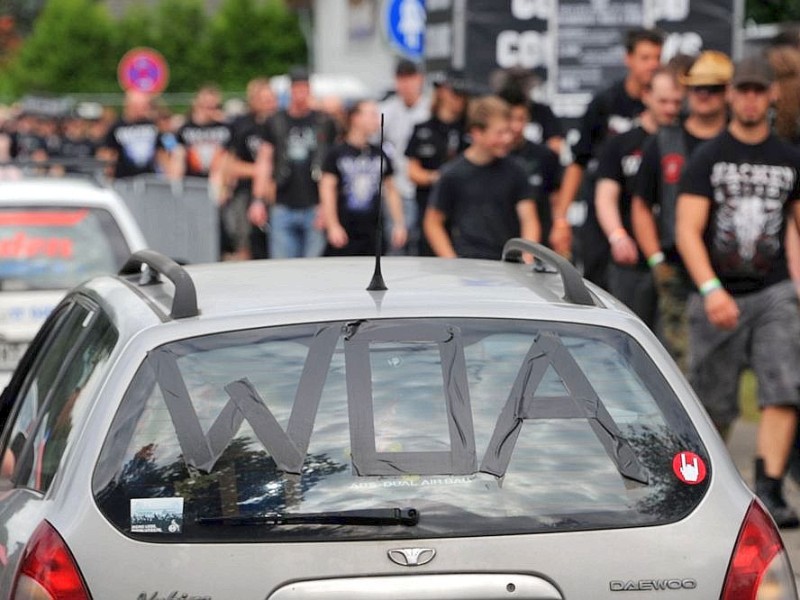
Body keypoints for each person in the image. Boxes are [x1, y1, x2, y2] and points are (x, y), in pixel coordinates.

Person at [675, 56, 800, 528]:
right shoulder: (709, 156)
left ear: (771, 96)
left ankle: (769, 489)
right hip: (717, 292)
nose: (749, 98)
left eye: (757, 90)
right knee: (712, 402)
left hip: (773, 293)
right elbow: (687, 230)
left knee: (783, 388)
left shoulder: (790, 158)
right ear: (731, 96)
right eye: (741, 90)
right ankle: (708, 494)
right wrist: (710, 290)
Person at [631, 51, 732, 372]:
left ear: (727, 92)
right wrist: (655, 259)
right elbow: (641, 205)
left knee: (723, 364)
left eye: (713, 88)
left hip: (733, 267)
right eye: (697, 88)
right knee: (678, 362)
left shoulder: (739, 139)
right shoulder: (663, 141)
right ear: (687, 90)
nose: (704, 95)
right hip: (676, 265)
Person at [554, 28, 663, 284]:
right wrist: (561, 218)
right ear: (628, 59)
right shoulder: (606, 103)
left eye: (657, 58)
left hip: (650, 210)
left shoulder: (665, 107)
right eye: (645, 58)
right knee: (598, 284)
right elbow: (578, 161)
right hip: (605, 211)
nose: (652, 65)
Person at [594, 67, 684, 328]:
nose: (670, 108)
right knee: (628, 332)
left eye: (677, 102)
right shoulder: (621, 143)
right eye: (663, 101)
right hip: (632, 259)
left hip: (676, 257)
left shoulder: (686, 142)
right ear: (646, 96)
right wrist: (617, 235)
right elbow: (605, 196)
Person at [423, 95, 540, 259]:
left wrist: (527, 258)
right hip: (468, 264)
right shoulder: (452, 174)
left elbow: (529, 219)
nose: (507, 138)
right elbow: (433, 222)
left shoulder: (516, 170)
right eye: (500, 133)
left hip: (508, 263)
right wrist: (451, 260)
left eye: (508, 131)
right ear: (477, 133)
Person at [253, 67, 338, 259]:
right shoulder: (275, 121)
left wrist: (328, 208)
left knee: (312, 268)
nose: (301, 94)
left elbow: (331, 167)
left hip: (315, 203)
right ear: (290, 91)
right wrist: (258, 199)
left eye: (304, 88)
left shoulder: (323, 121)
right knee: (283, 267)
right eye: (297, 88)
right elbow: (264, 161)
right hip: (283, 202)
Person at [319, 100, 407, 256]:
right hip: (345, 228)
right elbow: (327, 188)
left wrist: (398, 223)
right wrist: (332, 225)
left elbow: (391, 189)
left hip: (372, 231)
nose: (376, 120)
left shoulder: (379, 153)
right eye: (372, 115)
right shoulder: (337, 153)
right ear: (355, 118)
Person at [405, 71, 470, 255]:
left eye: (462, 95)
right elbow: (412, 172)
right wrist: (439, 178)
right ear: (442, 93)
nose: (458, 100)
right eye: (454, 93)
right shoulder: (423, 129)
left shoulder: (471, 128)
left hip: (463, 209)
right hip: (430, 203)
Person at [499, 83, 562, 252]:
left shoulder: (544, 156)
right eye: (511, 119)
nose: (516, 127)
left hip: (538, 244)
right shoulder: (492, 158)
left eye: (522, 119)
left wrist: (560, 224)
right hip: (497, 243)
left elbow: (555, 196)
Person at [380, 59, 431, 254]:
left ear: (419, 79)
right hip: (396, 188)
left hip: (423, 185)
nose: (406, 84)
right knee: (397, 244)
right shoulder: (387, 110)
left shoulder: (429, 108)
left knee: (421, 243)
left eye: (410, 78)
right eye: (402, 79)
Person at [225, 78, 277, 260]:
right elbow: (231, 166)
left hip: (277, 192)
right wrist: (262, 171)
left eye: (272, 99)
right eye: (264, 100)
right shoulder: (243, 126)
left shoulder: (282, 124)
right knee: (245, 242)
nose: (270, 104)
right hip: (247, 191)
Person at [98, 90, 166, 179]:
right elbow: (108, 152)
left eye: (144, 106)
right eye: (138, 106)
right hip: (123, 178)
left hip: (149, 178)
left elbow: (161, 151)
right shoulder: (117, 127)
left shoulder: (152, 126)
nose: (142, 109)